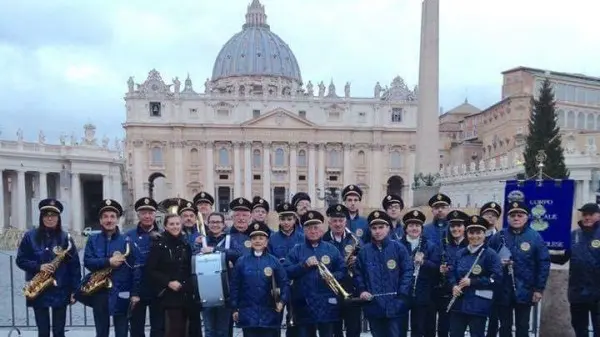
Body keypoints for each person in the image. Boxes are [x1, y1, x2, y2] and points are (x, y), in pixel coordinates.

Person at [16, 199, 81, 337]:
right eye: (46, 215)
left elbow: (74, 266)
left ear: (58, 218)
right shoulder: (30, 236)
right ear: (41, 217)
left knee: (59, 332)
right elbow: (20, 260)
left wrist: (75, 290)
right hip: (38, 288)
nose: (50, 218)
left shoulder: (66, 238)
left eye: (53, 215)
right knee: (43, 332)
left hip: (61, 288)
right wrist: (39, 266)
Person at [76, 199, 141, 337]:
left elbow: (136, 269)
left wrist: (135, 293)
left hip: (121, 291)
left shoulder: (127, 241)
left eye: (112, 216)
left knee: (122, 332)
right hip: (99, 291)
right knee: (101, 332)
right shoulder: (93, 240)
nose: (109, 220)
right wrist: (108, 262)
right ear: (100, 221)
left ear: (118, 220)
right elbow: (88, 261)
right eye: (105, 217)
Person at [487, 201, 551, 337]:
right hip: (503, 289)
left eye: (520, 215)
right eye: (513, 215)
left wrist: (539, 289)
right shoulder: (498, 237)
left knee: (523, 326)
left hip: (525, 290)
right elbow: (487, 260)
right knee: (504, 326)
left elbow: (543, 263)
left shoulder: (535, 237)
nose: (516, 218)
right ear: (508, 218)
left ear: (527, 217)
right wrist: (498, 263)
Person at [284, 210, 345, 337]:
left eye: (316, 227)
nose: (313, 231)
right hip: (303, 304)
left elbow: (342, 270)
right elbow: (286, 271)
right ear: (304, 230)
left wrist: (333, 277)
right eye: (309, 228)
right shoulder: (296, 250)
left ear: (322, 228)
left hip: (327, 304)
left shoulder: (331, 249)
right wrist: (303, 265)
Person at [354, 210, 413, 337]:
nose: (377, 231)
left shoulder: (398, 248)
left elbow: (407, 272)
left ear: (388, 228)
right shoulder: (364, 252)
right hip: (374, 305)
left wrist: (401, 297)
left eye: (381, 227)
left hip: (396, 305)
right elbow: (359, 274)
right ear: (370, 230)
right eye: (374, 228)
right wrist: (362, 290)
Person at [231, 221, 290, 337]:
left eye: (261, 238)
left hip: (270, 313)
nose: (257, 241)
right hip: (248, 313)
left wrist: (282, 301)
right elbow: (235, 286)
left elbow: (284, 283)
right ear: (250, 241)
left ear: (266, 241)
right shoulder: (241, 262)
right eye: (254, 238)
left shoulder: (274, 261)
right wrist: (234, 308)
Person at [447, 215, 502, 337]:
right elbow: (452, 273)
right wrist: (454, 286)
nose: (475, 236)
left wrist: (473, 282)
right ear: (467, 234)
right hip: (459, 305)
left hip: (479, 305)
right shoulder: (460, 253)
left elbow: (496, 279)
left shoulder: (491, 255)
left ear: (484, 234)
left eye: (478, 233)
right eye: (471, 232)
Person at [551, 203, 600, 337]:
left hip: (598, 293)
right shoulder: (573, 235)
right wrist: (543, 255)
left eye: (591, 214)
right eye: (584, 214)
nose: (587, 217)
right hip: (578, 292)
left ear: (598, 215)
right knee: (579, 329)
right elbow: (562, 259)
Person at [146, 212, 197, 337]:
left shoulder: (185, 244)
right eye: (171, 224)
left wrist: (187, 284)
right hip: (168, 296)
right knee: (173, 330)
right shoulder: (159, 244)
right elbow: (151, 270)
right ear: (165, 226)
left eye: (178, 224)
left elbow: (190, 268)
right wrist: (168, 282)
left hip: (185, 294)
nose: (175, 227)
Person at [126, 197, 164, 337]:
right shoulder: (129, 236)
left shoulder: (163, 235)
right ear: (138, 215)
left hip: (158, 288)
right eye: (143, 213)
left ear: (155, 215)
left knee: (158, 328)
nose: (147, 216)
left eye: (150, 212)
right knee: (136, 329)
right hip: (137, 288)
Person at [322, 204, 361, 337]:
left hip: (351, 289)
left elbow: (363, 264)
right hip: (330, 291)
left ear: (346, 221)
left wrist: (357, 260)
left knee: (354, 328)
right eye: (334, 220)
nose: (338, 224)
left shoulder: (355, 239)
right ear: (329, 222)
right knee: (334, 330)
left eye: (341, 220)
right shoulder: (323, 240)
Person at [400, 209, 440, 337]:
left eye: (417, 225)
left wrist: (424, 262)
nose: (414, 228)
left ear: (421, 228)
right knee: (400, 327)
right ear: (406, 228)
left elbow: (437, 268)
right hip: (402, 292)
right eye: (411, 225)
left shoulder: (430, 246)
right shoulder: (397, 245)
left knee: (418, 328)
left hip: (422, 293)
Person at [197, 212, 237, 337]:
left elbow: (237, 255)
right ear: (207, 224)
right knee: (209, 330)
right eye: (212, 222)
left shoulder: (230, 239)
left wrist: (215, 250)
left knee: (223, 331)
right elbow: (193, 257)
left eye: (218, 222)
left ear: (223, 224)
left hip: (225, 291)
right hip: (206, 291)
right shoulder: (201, 240)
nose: (215, 225)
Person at [268, 202, 304, 337]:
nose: (286, 222)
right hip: (279, 284)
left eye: (289, 219)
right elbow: (270, 260)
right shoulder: (272, 239)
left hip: (298, 283)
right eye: (283, 219)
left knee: (295, 318)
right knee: (275, 316)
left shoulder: (302, 238)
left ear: (295, 219)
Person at [423, 193, 452, 337]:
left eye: (443, 207)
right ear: (432, 210)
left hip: (449, 282)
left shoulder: (455, 228)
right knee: (429, 323)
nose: (440, 210)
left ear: (449, 208)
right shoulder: (425, 230)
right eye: (436, 207)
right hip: (430, 282)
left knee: (445, 324)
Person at [479, 202, 502, 337]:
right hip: (478, 279)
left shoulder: (502, 237)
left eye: (494, 215)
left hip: (495, 282)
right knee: (479, 317)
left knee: (494, 317)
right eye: (487, 214)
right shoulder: (474, 234)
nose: (490, 217)